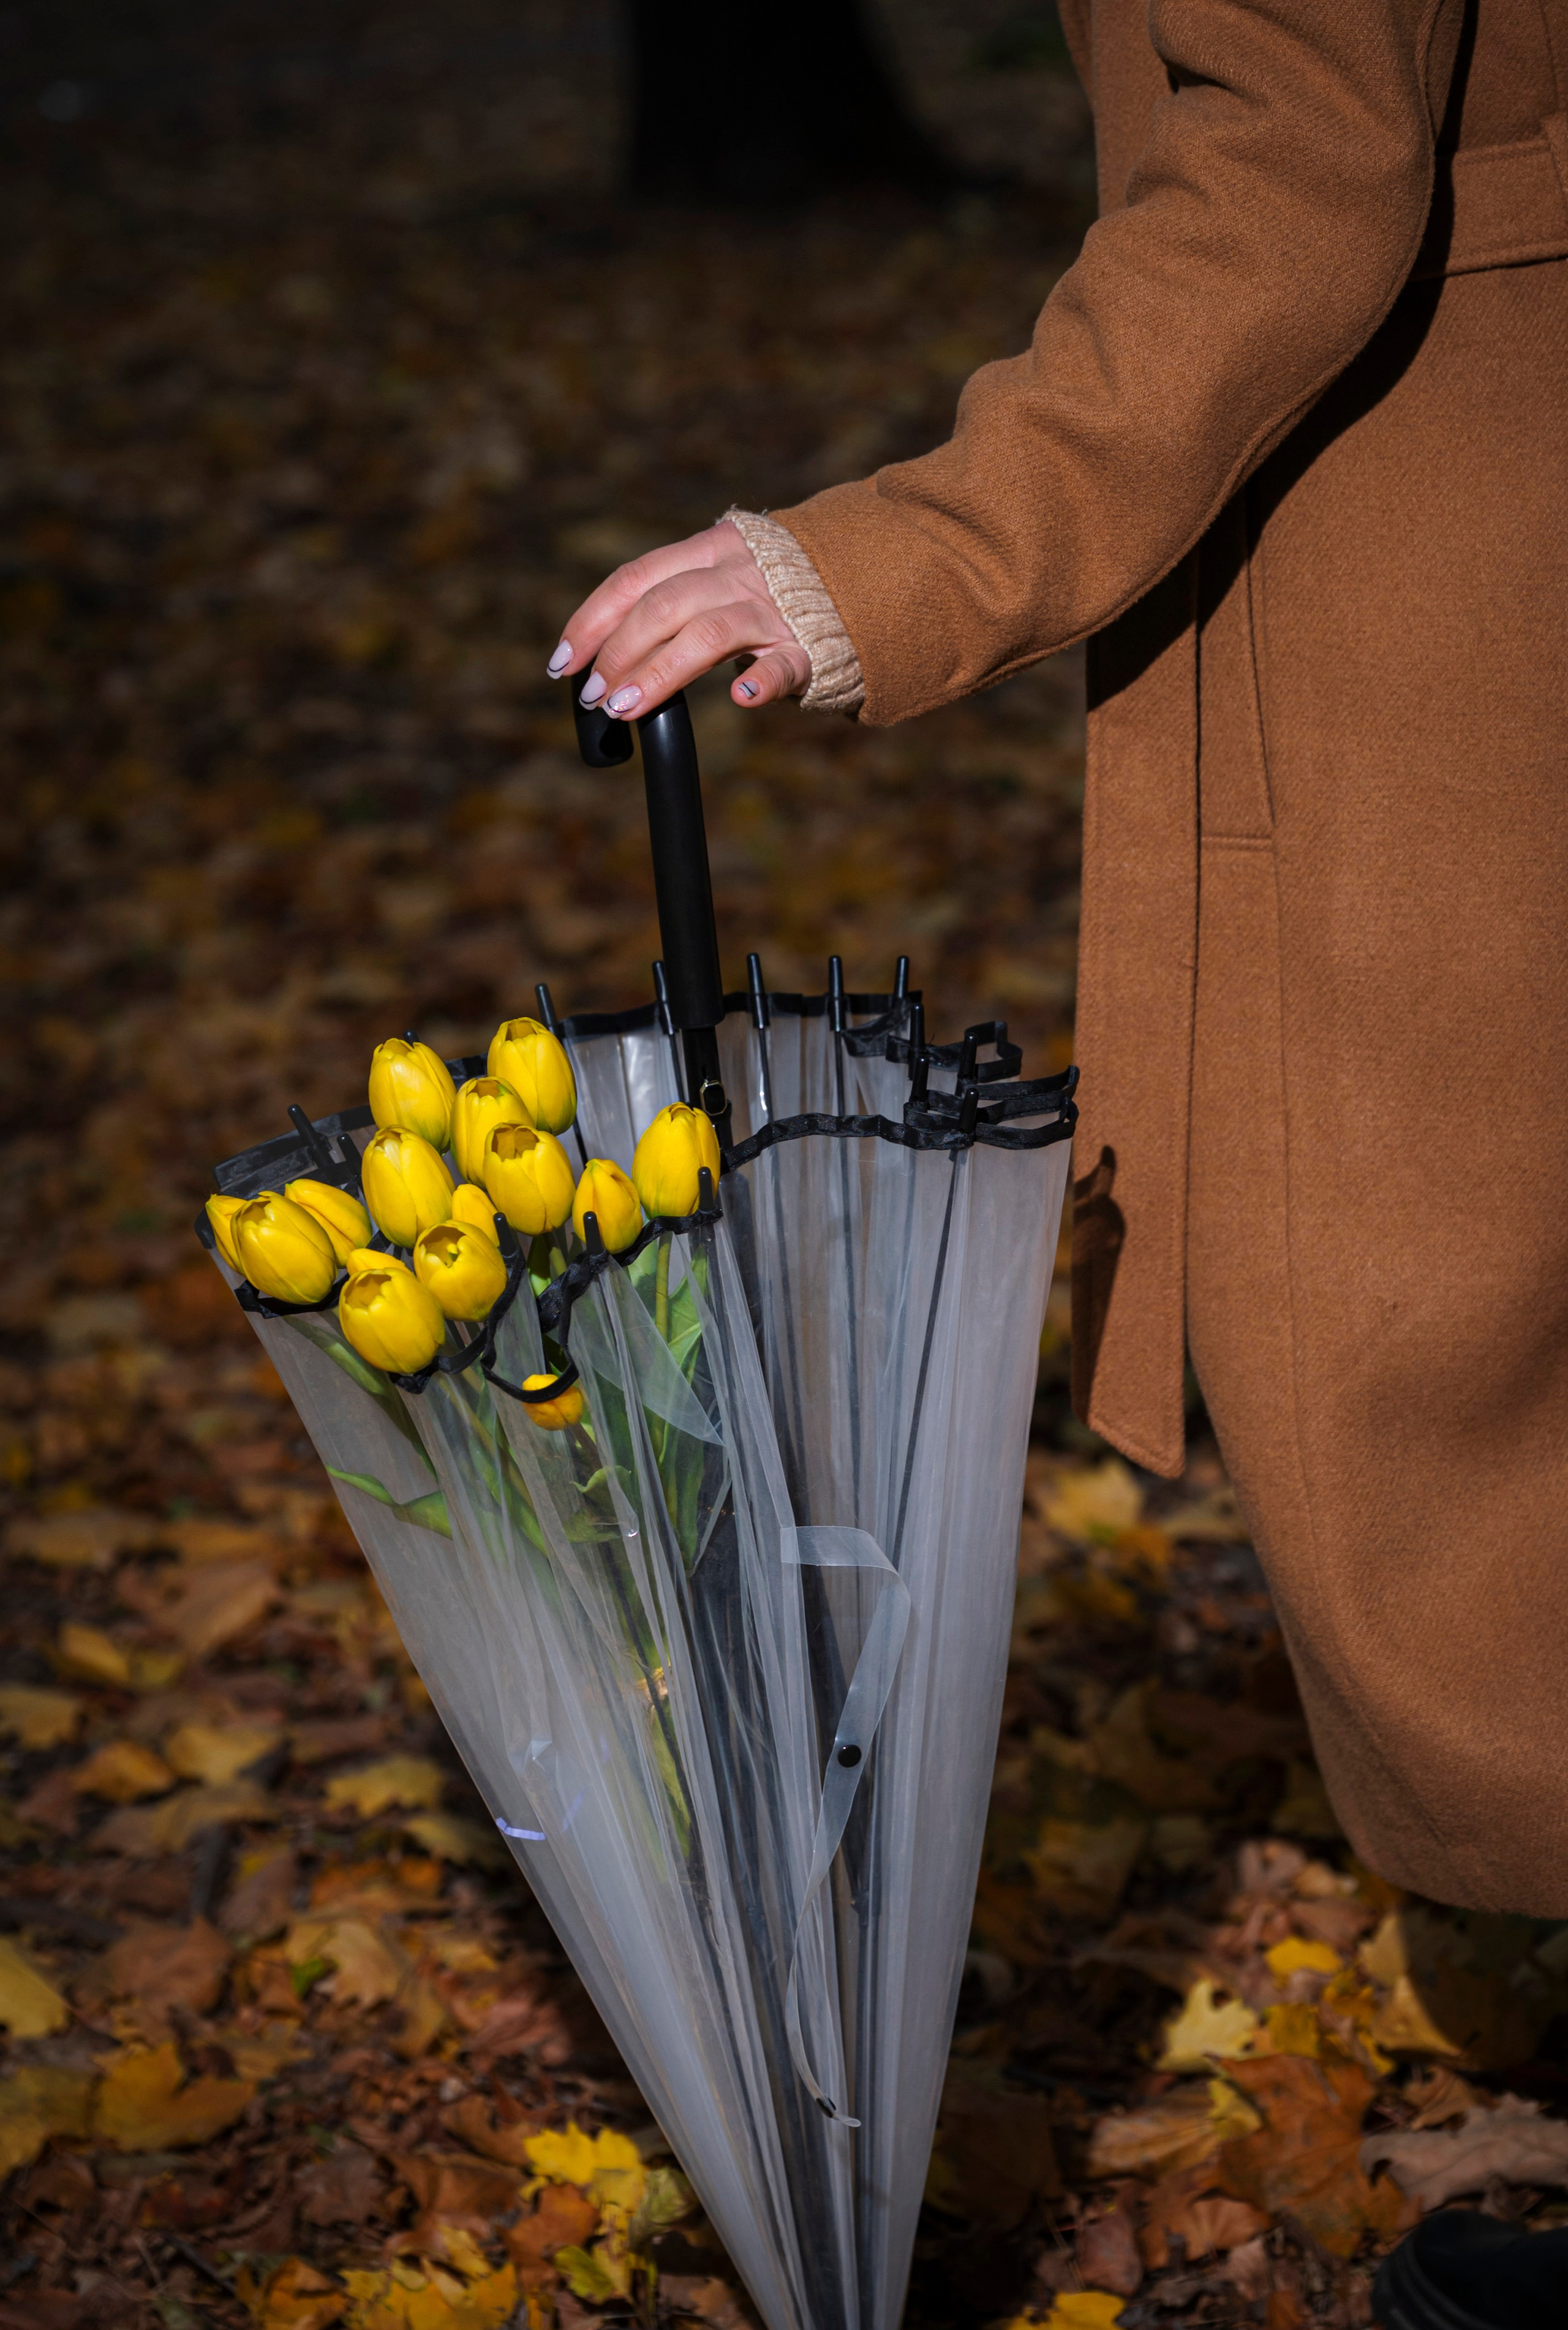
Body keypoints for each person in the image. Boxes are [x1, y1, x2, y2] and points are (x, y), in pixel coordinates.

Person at [557, 6, 1568, 2315]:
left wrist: (896, 557)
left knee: (1428, 1333)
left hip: (1432, 527)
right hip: (1465, 498)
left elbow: (1306, 143)